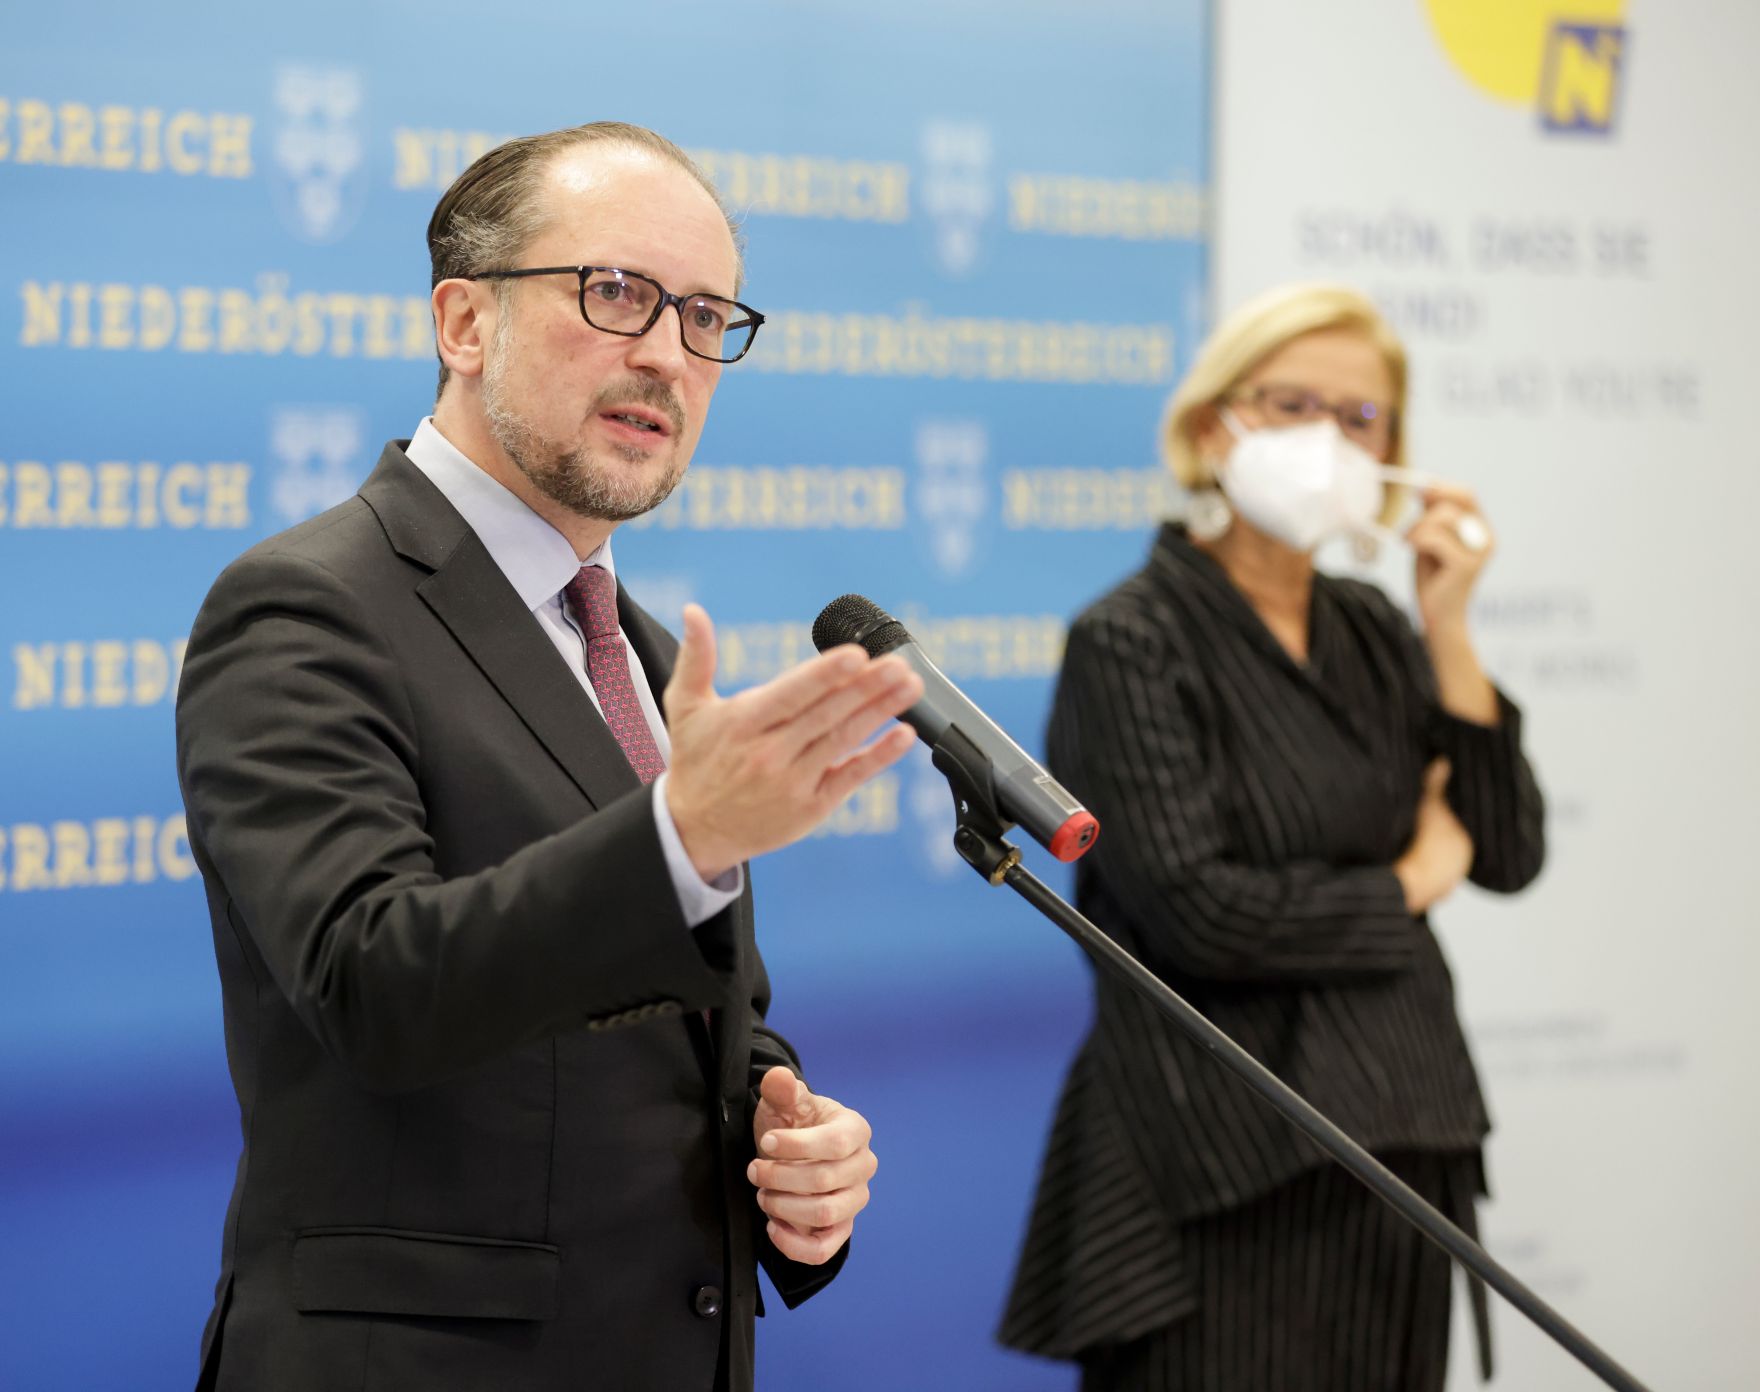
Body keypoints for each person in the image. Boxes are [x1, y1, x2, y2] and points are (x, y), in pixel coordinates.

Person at [176, 121, 924, 1392]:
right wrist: (682, 838)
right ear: (464, 324)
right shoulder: (307, 606)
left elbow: (675, 1020)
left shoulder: (630, 642)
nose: (666, 355)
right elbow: (371, 985)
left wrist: (784, 1134)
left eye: (704, 317)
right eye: (616, 292)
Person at [998, 283, 1545, 1391]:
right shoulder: (1130, 639)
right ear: (1215, 428)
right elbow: (1197, 917)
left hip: (1406, 1137)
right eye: (1293, 405)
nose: (1328, 440)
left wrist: (1447, 626)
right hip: (1222, 1156)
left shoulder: (1374, 625)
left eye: (1360, 418)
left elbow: (1504, 850)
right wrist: (1407, 883)